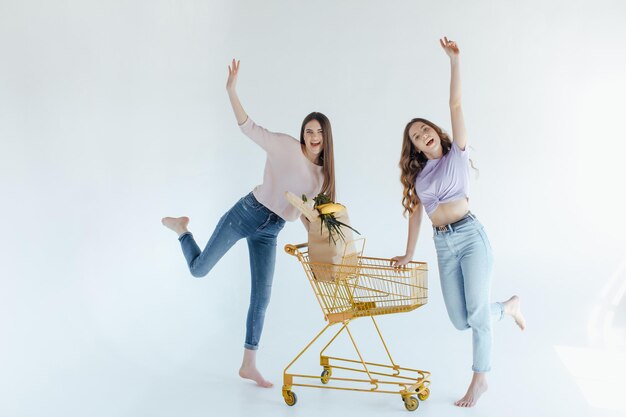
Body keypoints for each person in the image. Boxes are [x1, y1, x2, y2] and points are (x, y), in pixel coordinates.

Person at [162, 59, 336, 388]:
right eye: (309, 130)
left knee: (262, 297)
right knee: (199, 270)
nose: (313, 136)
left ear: (326, 138)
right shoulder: (286, 145)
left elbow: (305, 216)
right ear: (303, 133)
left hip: (271, 230)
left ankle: (248, 364)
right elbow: (248, 127)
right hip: (247, 212)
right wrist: (232, 90)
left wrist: (320, 253)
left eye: (319, 132)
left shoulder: (323, 176)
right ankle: (182, 229)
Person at [391, 38, 526, 407]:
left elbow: (455, 103)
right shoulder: (420, 178)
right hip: (443, 245)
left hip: (470, 237)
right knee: (460, 319)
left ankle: (479, 379)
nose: (422, 135)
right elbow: (417, 214)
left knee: (477, 317)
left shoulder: (457, 154)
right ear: (417, 148)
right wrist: (406, 254)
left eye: (424, 129)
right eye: (416, 137)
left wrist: (454, 62)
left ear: (436, 131)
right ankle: (508, 307)